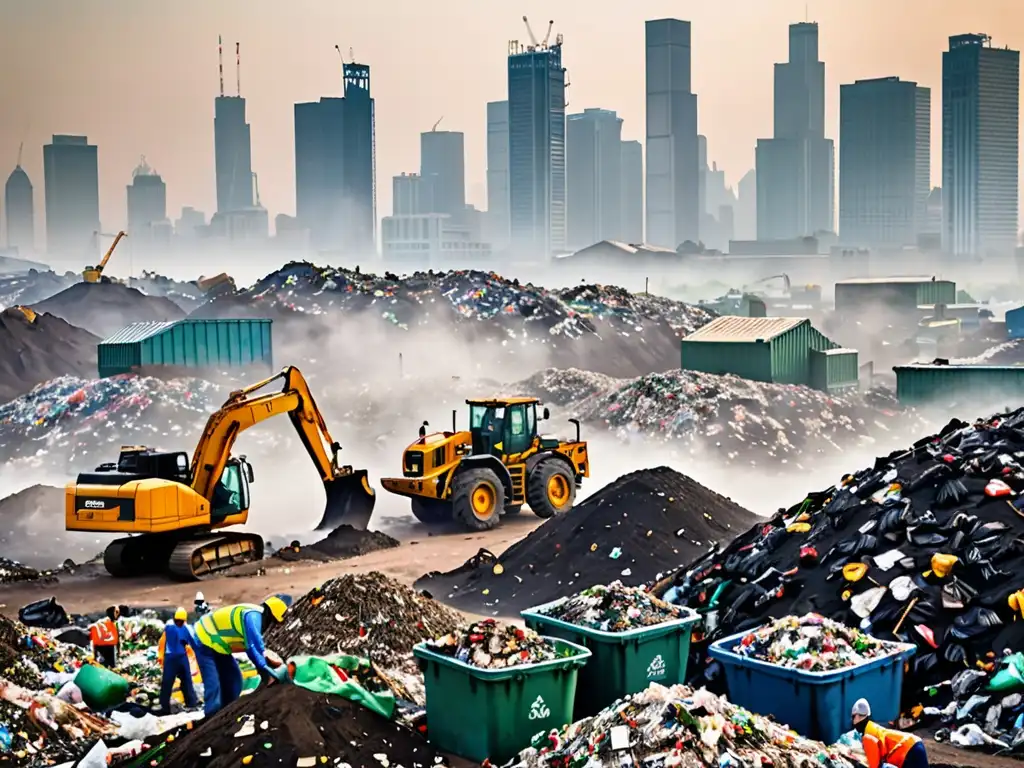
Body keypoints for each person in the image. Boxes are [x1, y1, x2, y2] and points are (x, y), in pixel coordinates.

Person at [192, 595, 290, 716]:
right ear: (270, 615)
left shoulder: (256, 615)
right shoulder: (253, 618)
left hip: (218, 644)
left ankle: (226, 713)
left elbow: (259, 649)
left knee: (234, 679)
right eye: (274, 621)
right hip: (203, 638)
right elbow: (253, 648)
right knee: (213, 684)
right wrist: (267, 673)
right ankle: (210, 719)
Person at [852, 698, 929, 768]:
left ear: (857, 717)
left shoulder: (868, 736)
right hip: (913, 744)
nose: (853, 721)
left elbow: (875, 766)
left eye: (853, 717)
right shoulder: (874, 727)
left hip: (908, 750)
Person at [158, 608, 198, 715]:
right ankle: (191, 704)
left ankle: (164, 707)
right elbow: (190, 642)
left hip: (171, 658)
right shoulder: (184, 629)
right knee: (185, 682)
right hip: (179, 658)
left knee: (168, 683)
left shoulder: (169, 628)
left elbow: (162, 643)